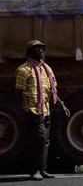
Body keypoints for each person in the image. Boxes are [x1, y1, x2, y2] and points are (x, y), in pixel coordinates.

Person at [15, 40, 67, 180]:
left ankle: (43, 169)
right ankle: (34, 170)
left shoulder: (46, 69)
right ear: (30, 52)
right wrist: (21, 111)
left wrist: (61, 104)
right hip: (32, 110)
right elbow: (18, 92)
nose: (41, 52)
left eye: (42, 49)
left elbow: (52, 90)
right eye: (37, 49)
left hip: (45, 110)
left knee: (46, 140)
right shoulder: (24, 70)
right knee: (39, 139)